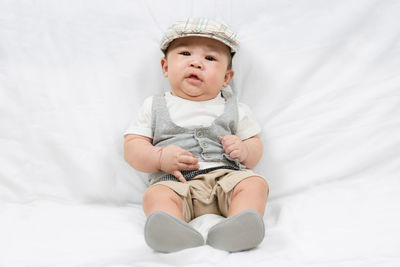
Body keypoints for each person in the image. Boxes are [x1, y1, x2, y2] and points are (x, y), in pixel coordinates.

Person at [124, 18, 269, 253]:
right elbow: (132, 147)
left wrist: (244, 150)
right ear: (165, 67)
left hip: (226, 179)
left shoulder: (236, 108)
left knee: (254, 184)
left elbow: (255, 145)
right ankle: (172, 231)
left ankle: (241, 226)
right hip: (175, 183)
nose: (196, 63)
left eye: (210, 58)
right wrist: (160, 158)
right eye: (185, 53)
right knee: (156, 195)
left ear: (226, 78)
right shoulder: (154, 106)